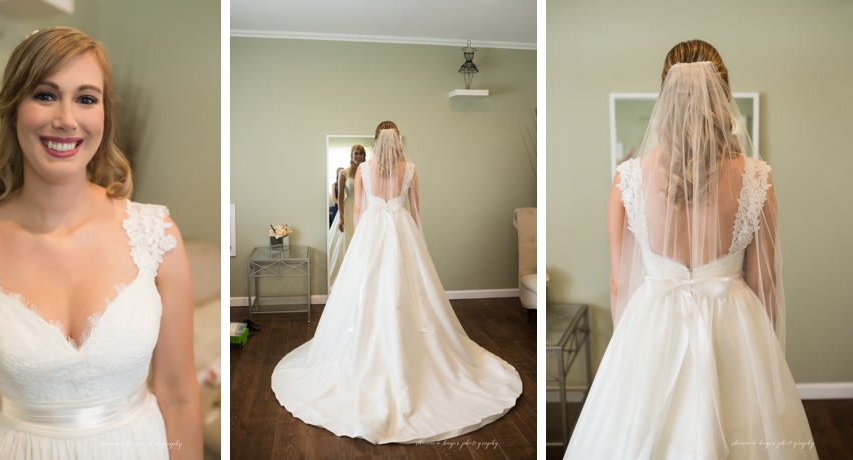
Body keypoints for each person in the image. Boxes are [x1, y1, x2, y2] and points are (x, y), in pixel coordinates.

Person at [0, 27, 202, 459]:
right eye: (44, 94)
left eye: (85, 98)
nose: (66, 118)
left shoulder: (158, 236)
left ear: (104, 116)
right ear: (13, 110)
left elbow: (179, 396)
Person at [564, 40, 817, 459]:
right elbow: (766, 282)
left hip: (652, 324)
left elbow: (617, 280)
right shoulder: (756, 177)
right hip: (734, 327)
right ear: (724, 96)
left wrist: (630, 347)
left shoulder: (626, 178)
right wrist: (764, 353)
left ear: (664, 97)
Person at [273, 121, 522, 444]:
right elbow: (416, 210)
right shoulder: (410, 169)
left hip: (373, 233)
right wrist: (420, 243)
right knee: (411, 294)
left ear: (376, 142)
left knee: (369, 293)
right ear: (398, 141)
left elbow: (359, 210)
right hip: (402, 232)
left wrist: (361, 246)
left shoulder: (364, 169)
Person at [326, 145, 365, 289]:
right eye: (356, 153)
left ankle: (360, 278)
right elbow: (341, 196)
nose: (358, 156)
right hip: (348, 208)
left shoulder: (368, 171)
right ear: (351, 155)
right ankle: (345, 280)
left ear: (364, 155)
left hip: (364, 209)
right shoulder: (345, 173)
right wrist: (341, 217)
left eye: (361, 153)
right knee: (347, 241)